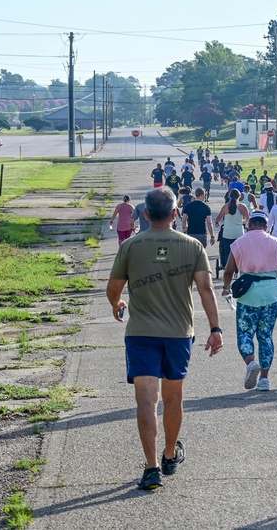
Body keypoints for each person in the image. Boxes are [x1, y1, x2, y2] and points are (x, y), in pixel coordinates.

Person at [106, 187, 223, 491]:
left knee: (146, 401)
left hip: (141, 334)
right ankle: (170, 455)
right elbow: (206, 289)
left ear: (145, 214)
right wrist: (215, 328)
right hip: (178, 335)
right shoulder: (193, 247)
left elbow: (114, 287)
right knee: (173, 398)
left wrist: (117, 304)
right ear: (175, 214)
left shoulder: (130, 246)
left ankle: (151, 468)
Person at [221, 211, 277, 391]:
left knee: (245, 333)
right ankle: (264, 379)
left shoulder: (239, 242)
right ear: (265, 225)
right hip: (272, 293)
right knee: (265, 336)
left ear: (250, 224)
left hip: (248, 293)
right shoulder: (276, 242)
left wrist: (226, 287)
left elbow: (229, 270)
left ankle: (250, 362)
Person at [215, 188, 250, 269]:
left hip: (227, 233)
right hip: (239, 233)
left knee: (227, 252)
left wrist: (217, 222)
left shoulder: (225, 207)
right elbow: (247, 219)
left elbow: (219, 218)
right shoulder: (242, 207)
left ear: (229, 196)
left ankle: (228, 267)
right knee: (239, 251)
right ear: (239, 196)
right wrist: (241, 222)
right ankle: (239, 266)